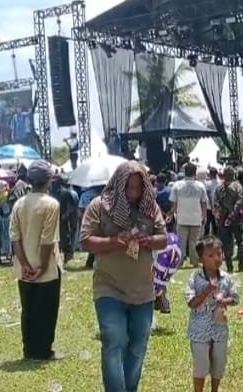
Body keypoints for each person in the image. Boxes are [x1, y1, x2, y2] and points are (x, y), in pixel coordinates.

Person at [81, 161, 167, 392]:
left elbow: (164, 239)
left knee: (138, 346)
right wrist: (115, 241)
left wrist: (148, 240)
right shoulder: (99, 206)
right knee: (114, 340)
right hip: (109, 287)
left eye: (138, 188)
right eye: (129, 187)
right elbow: (86, 240)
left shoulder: (150, 207)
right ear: (119, 185)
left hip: (143, 290)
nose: (133, 193)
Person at [9, 160, 62, 360]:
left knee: (28, 309)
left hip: (24, 267)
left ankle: (29, 349)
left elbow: (15, 238)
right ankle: (44, 350)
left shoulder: (19, 203)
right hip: (46, 267)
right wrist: (41, 266)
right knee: (47, 310)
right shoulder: (51, 204)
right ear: (49, 180)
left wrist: (25, 264)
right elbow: (48, 240)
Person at [185, 237, 240, 392]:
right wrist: (208, 290)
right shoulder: (195, 278)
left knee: (219, 364)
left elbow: (235, 298)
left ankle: (215, 389)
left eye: (219, 254)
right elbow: (191, 303)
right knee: (201, 365)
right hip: (199, 330)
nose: (216, 258)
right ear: (201, 259)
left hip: (219, 329)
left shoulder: (226, 278)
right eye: (210, 255)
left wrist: (225, 300)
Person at [168, 163, 208, 267]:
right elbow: (204, 203)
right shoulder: (200, 186)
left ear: (184, 172)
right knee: (194, 242)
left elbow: (173, 203)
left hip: (181, 218)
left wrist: (171, 214)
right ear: (195, 172)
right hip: (196, 218)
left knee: (181, 242)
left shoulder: (177, 185)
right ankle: (195, 261)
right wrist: (204, 216)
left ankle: (179, 262)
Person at [214, 167, 243, 273]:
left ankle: (229, 266)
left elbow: (216, 203)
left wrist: (219, 213)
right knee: (241, 241)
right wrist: (232, 214)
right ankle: (242, 265)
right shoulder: (238, 186)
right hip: (236, 217)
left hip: (223, 217)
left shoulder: (218, 188)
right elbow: (239, 202)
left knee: (226, 242)